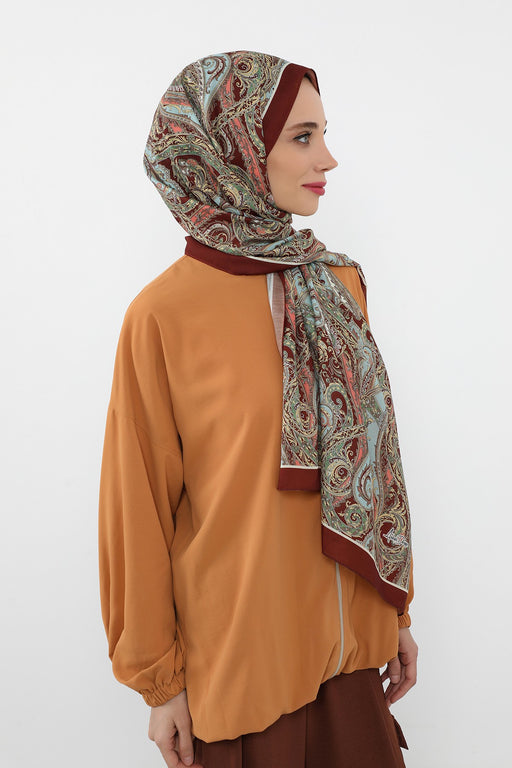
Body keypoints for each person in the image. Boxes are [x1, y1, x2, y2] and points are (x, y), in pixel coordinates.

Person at [98, 50, 418, 768]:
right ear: (231, 148)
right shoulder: (164, 315)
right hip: (243, 684)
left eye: (324, 134)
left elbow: (374, 471)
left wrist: (394, 612)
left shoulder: (335, 287)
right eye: (303, 137)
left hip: (353, 677)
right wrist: (159, 685)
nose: (328, 159)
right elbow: (136, 507)